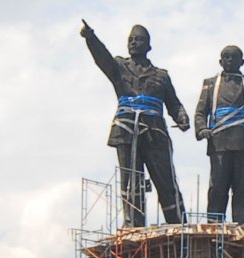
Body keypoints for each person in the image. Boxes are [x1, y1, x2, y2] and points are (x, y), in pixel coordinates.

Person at [81, 20, 189, 227]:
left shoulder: (161, 76)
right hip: (126, 130)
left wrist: (181, 117)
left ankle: (177, 223)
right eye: (130, 40)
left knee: (165, 179)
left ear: (148, 46)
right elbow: (102, 58)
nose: (133, 43)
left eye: (138, 40)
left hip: (155, 132)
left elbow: (174, 103)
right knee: (131, 181)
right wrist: (91, 38)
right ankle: (134, 223)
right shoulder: (119, 67)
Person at [194, 45, 244, 225]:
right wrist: (201, 128)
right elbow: (200, 112)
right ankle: (214, 225)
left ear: (242, 62)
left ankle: (242, 224)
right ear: (220, 61)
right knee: (218, 187)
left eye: (233, 57)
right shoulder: (210, 84)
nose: (229, 60)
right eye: (225, 57)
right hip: (219, 141)